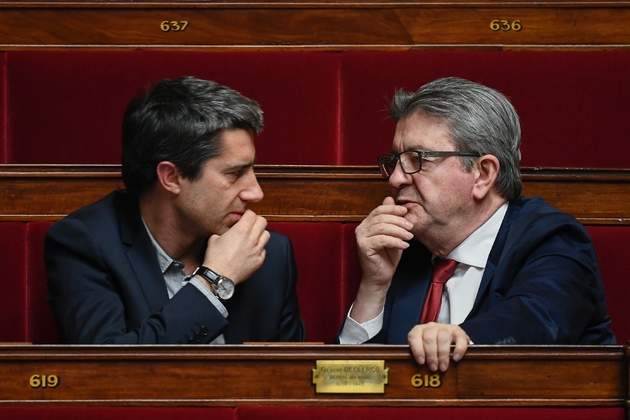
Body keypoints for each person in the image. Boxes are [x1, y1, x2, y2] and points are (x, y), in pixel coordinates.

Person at [339, 77, 615, 371]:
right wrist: (374, 287)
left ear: (483, 174)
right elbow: (353, 383)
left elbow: (537, 320)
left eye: (417, 159)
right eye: (395, 160)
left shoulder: (553, 240)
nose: (395, 178)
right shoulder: (402, 248)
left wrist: (460, 339)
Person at [45, 76, 305, 344]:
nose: (256, 192)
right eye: (235, 173)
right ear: (171, 177)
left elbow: (289, 376)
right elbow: (108, 370)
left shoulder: (267, 254)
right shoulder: (85, 244)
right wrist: (215, 281)